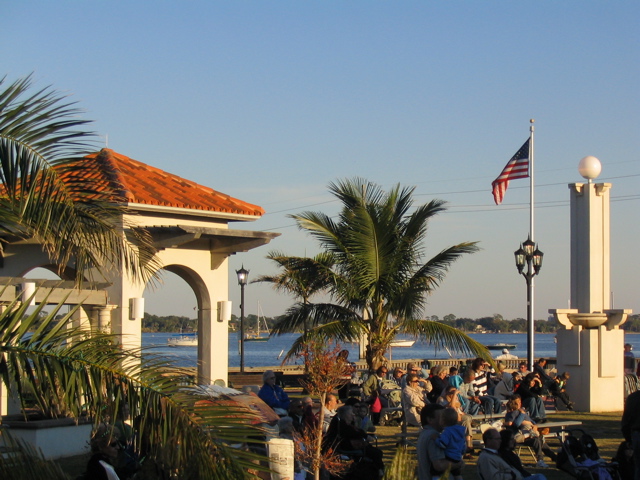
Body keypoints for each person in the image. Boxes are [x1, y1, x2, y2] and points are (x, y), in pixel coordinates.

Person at [324, 405, 385, 475]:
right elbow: (353, 432)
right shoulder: (341, 423)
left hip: (351, 443)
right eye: (351, 413)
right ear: (345, 415)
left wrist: (354, 422)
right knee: (376, 453)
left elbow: (356, 431)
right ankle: (378, 471)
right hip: (345, 445)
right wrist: (365, 436)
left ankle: (377, 470)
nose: (353, 414)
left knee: (375, 451)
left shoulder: (344, 422)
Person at [504, 395, 556, 468]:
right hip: (518, 436)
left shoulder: (522, 412)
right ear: (513, 403)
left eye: (520, 401)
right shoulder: (511, 413)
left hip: (528, 433)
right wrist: (522, 414)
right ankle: (542, 460)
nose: (519, 403)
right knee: (537, 440)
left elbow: (531, 421)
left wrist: (534, 425)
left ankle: (553, 458)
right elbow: (517, 424)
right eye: (517, 402)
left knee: (539, 440)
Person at [417, 403, 464, 480]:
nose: (446, 420)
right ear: (430, 420)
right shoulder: (434, 436)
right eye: (442, 417)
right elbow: (439, 465)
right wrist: (458, 464)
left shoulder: (424, 434)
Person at [437, 386, 474, 457]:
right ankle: (468, 446)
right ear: (446, 392)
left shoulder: (455, 399)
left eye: (455, 391)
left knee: (466, 422)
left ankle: (468, 447)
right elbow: (452, 407)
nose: (454, 394)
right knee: (465, 423)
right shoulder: (441, 399)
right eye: (452, 391)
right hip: (449, 420)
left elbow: (459, 409)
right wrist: (454, 395)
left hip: (458, 419)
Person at [434, 407, 466, 480]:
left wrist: (436, 439)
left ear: (443, 421)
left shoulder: (447, 431)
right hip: (458, 456)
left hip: (449, 456)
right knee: (457, 474)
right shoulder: (460, 431)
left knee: (436, 471)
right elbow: (463, 444)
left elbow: (443, 444)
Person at [621, 389, 640, 480]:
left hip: (637, 434)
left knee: (638, 467)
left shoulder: (633, 398)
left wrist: (628, 439)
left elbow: (626, 422)